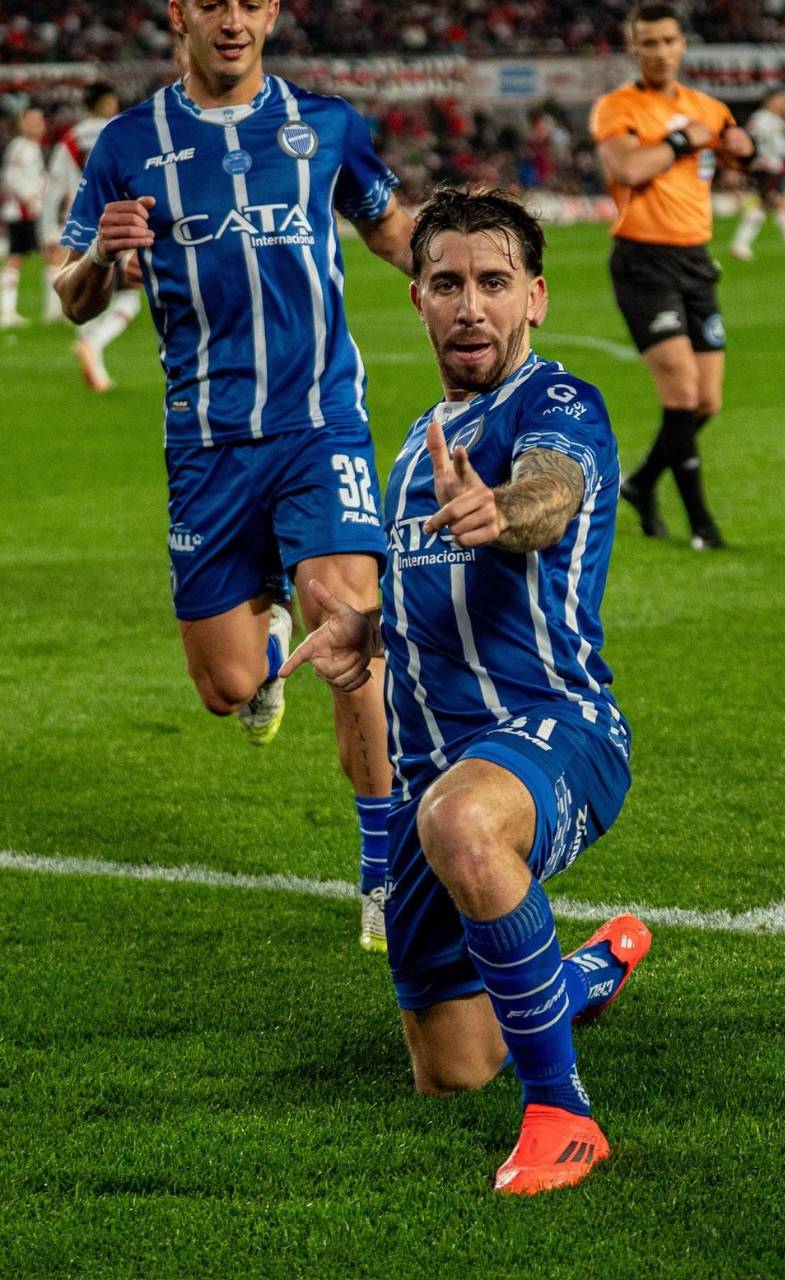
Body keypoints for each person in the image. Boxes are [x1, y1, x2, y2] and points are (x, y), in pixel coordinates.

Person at [281, 187, 651, 1196]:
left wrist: (503, 508)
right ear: (417, 299)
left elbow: (551, 495)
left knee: (462, 822)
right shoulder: (412, 452)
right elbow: (418, 594)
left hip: (559, 728)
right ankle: (586, 971)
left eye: (494, 283)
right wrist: (367, 626)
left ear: (533, 296)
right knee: (451, 1066)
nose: (471, 306)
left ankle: (566, 1117)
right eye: (448, 283)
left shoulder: (559, 403)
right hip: (440, 770)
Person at [54, 0, 415, 950]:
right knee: (223, 688)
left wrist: (475, 267)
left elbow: (390, 230)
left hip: (321, 425)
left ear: (272, 13)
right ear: (181, 12)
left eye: (251, 2)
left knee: (355, 628)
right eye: (213, 1)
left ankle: (386, 874)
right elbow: (69, 297)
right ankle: (263, 654)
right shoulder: (127, 145)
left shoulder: (327, 125)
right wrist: (101, 253)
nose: (233, 20)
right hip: (207, 444)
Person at [589, 3, 753, 549]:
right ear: (632, 49)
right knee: (681, 389)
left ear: (683, 44)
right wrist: (686, 139)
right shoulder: (617, 107)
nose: (659, 52)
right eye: (647, 43)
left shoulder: (709, 106)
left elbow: (738, 153)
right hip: (642, 259)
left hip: (695, 260)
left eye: (667, 41)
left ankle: (640, 482)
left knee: (708, 402)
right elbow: (628, 169)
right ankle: (702, 523)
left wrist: (741, 148)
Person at [40, 80, 143, 388]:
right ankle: (95, 345)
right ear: (108, 102)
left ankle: (95, 365)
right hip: (117, 225)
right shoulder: (121, 132)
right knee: (129, 297)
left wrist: (48, 232)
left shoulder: (70, 140)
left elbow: (53, 189)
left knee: (81, 299)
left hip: (78, 226)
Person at [729, 89, 785, 262]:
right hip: (766, 168)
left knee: (764, 207)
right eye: (782, 99)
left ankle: (740, 244)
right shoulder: (765, 120)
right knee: (781, 204)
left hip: (767, 168)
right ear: (771, 100)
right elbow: (777, 145)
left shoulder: (766, 119)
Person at [0, 106, 46, 329]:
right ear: (22, 124)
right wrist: (30, 203)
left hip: (26, 209)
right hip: (22, 212)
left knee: (22, 257)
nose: (37, 125)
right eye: (32, 121)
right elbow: (11, 178)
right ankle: (7, 311)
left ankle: (9, 311)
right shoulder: (22, 147)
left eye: (39, 120)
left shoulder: (31, 147)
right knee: (17, 258)